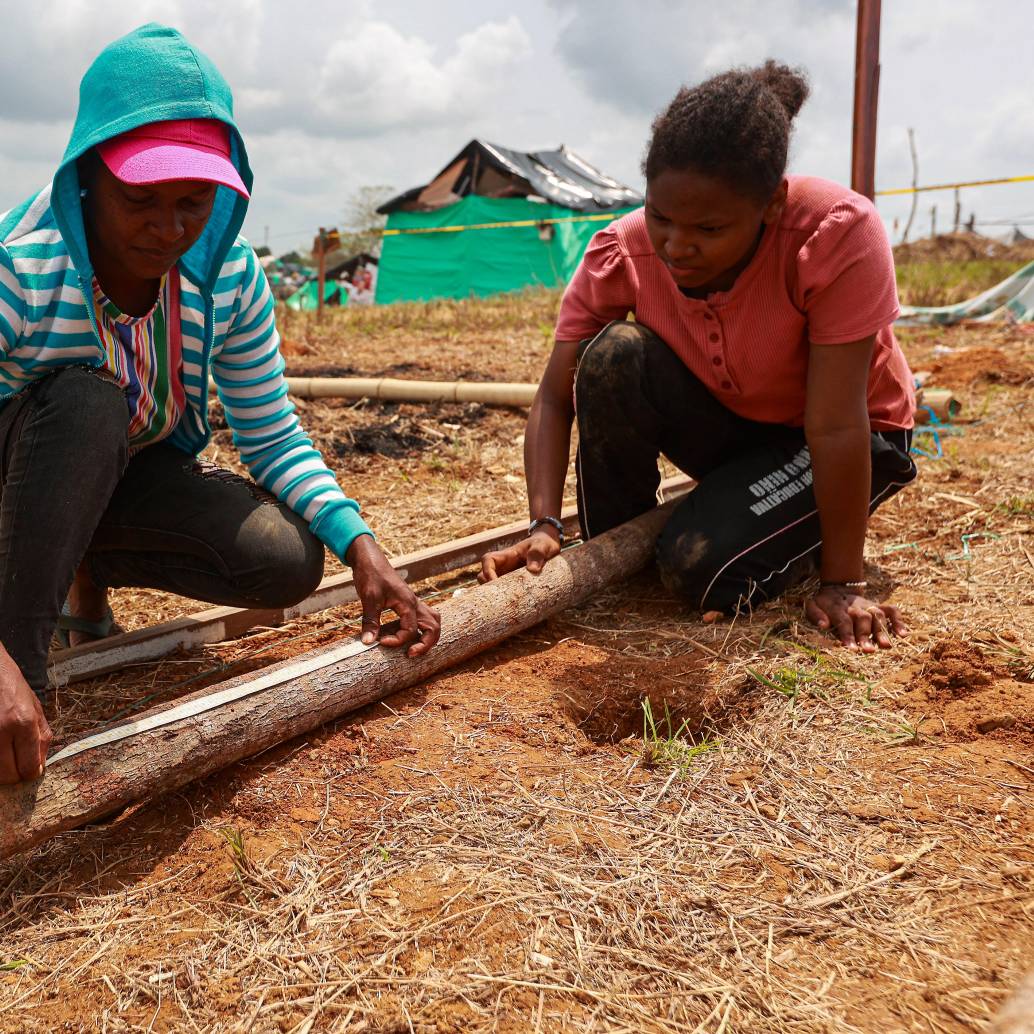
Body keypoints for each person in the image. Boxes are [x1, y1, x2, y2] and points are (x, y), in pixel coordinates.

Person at [0, 24, 439, 785]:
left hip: (102, 483)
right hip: (20, 477)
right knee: (85, 405)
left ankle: (74, 571)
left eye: (193, 201)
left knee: (283, 558)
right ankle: (23, 667)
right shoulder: (24, 271)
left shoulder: (228, 281)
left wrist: (362, 547)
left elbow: (270, 436)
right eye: (140, 199)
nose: (168, 228)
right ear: (86, 178)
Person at [481, 62, 917, 655]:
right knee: (612, 355)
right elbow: (556, 395)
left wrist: (842, 581)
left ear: (771, 206)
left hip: (851, 440)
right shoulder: (624, 251)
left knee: (703, 571)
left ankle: (775, 532)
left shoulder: (832, 236)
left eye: (709, 229)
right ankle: (622, 550)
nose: (676, 246)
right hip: (736, 427)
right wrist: (543, 525)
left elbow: (837, 423)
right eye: (660, 216)